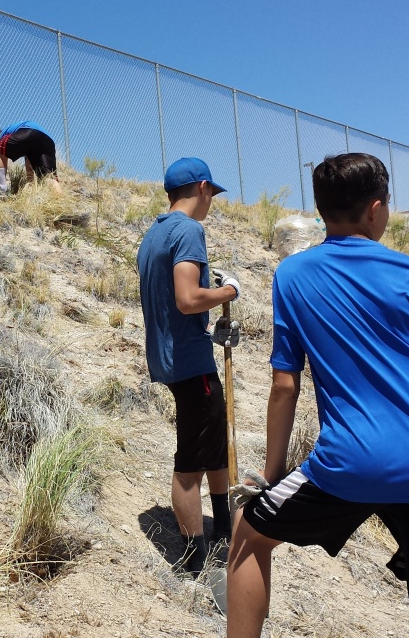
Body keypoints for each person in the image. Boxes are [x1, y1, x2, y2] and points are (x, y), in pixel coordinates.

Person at [226, 153, 409, 638]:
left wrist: (274, 472)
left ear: (322, 211)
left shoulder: (294, 275)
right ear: (376, 209)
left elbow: (285, 385)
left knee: (247, 537)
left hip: (352, 463)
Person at [136, 157, 241, 577]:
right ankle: (197, 561)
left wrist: (209, 329)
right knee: (190, 466)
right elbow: (186, 298)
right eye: (211, 193)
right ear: (201, 188)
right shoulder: (189, 231)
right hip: (190, 363)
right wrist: (228, 290)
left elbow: (170, 305)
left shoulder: (153, 235)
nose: (211, 202)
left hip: (175, 357)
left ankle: (224, 532)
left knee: (214, 449)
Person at [0, 120, 60, 195]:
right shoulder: (22, 142)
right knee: (48, 177)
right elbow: (29, 165)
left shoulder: (2, 135)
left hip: (29, 131)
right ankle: (60, 200)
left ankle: (2, 188)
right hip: (48, 140)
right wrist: (30, 184)